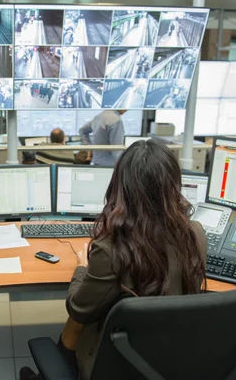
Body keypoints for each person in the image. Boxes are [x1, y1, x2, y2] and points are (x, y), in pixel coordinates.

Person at [20, 140, 207, 380]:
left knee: (76, 324)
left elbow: (79, 308)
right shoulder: (195, 234)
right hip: (168, 356)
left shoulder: (112, 248)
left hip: (112, 362)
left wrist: (81, 269)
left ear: (121, 186)